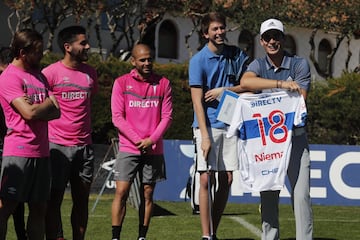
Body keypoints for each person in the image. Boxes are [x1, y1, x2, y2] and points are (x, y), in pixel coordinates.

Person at [239, 18, 313, 240]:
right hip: (268, 144)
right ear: (261, 41)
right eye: (268, 37)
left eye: (277, 36)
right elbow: (246, 82)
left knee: (301, 197)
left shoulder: (299, 64)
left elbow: (300, 99)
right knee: (268, 198)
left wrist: (267, 89)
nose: (273, 41)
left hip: (295, 140)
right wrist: (280, 85)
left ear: (283, 38)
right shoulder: (258, 65)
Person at [188, 12, 248, 240]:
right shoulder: (198, 61)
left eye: (222, 28)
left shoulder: (237, 55)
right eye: (215, 29)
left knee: (228, 179)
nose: (220, 32)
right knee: (205, 177)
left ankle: (213, 231)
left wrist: (226, 90)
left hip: (231, 124)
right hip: (208, 126)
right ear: (206, 34)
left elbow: (250, 85)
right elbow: (197, 101)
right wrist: (204, 136)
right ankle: (206, 235)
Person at [0, 29, 60, 240]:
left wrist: (37, 108)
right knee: (5, 208)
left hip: (42, 152)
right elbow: (29, 112)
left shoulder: (39, 75)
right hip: (19, 152)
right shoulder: (9, 77)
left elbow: (57, 109)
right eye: (37, 51)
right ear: (23, 52)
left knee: (39, 209)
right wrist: (41, 108)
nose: (42, 54)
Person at [111, 43, 172, 240]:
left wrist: (151, 140)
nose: (147, 63)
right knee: (121, 192)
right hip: (130, 147)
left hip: (153, 148)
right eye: (142, 59)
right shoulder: (121, 83)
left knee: (147, 193)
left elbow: (167, 117)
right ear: (133, 61)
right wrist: (139, 141)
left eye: (149, 59)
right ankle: (115, 236)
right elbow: (117, 117)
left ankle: (142, 236)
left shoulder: (163, 83)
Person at [42, 25, 98, 240]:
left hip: (85, 147)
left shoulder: (90, 73)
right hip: (56, 147)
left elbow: (89, 102)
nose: (88, 46)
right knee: (53, 199)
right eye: (83, 43)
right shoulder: (49, 73)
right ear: (68, 47)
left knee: (82, 200)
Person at [0, 46, 27, 240]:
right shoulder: (10, 80)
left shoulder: (11, 80)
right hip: (10, 145)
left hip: (10, 146)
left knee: (13, 197)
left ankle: (22, 235)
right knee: (13, 199)